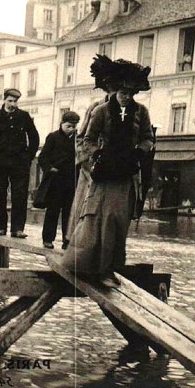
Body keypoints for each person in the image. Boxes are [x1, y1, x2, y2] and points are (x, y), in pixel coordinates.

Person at [63, 56, 154, 289]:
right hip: (102, 175)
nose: (126, 97)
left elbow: (147, 138)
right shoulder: (101, 111)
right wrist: (96, 158)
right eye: (123, 92)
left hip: (126, 175)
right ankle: (85, 265)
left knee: (118, 221)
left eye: (130, 93)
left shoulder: (141, 112)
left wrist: (138, 153)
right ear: (114, 90)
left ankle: (108, 269)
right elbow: (87, 139)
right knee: (95, 219)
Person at [66, 54, 120, 248]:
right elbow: (81, 138)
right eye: (113, 90)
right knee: (84, 208)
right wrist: (87, 162)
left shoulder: (127, 112)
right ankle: (75, 245)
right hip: (91, 168)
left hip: (113, 170)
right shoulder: (95, 108)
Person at [0, 88, 39, 238]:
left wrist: (28, 157)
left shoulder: (24, 117)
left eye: (15, 101)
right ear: (4, 100)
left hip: (19, 163)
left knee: (19, 195)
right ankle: (0, 226)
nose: (13, 104)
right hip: (0, 163)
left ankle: (17, 229)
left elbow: (34, 138)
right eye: (10, 101)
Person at [38, 110, 80, 249]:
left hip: (70, 181)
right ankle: (48, 239)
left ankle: (67, 241)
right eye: (69, 126)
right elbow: (43, 157)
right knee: (53, 211)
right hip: (55, 181)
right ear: (61, 124)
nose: (71, 129)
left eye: (74, 126)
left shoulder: (77, 140)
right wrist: (50, 169)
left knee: (69, 213)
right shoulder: (53, 137)